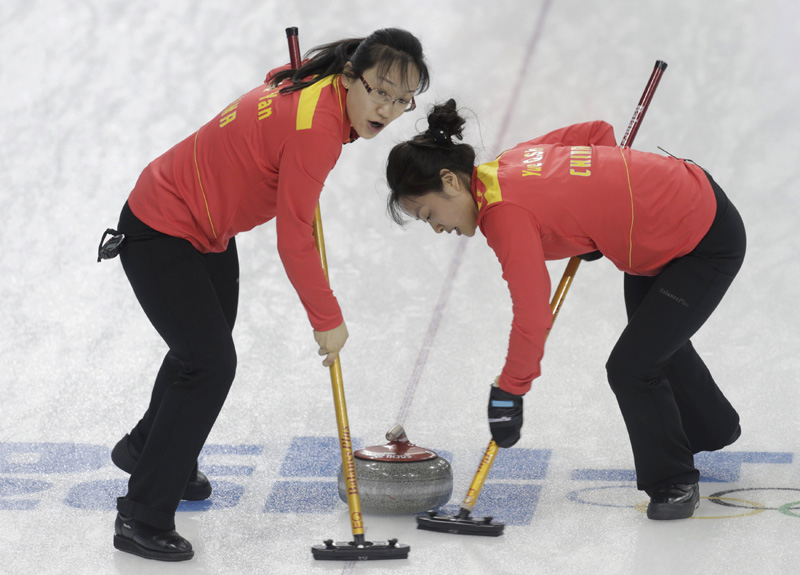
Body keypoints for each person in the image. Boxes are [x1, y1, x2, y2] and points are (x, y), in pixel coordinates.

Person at [100, 29, 429, 561]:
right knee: (207, 362)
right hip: (161, 225)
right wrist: (327, 317)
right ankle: (141, 516)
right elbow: (294, 236)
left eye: (401, 99)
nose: (387, 109)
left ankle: (146, 450)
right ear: (350, 77)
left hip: (205, 228)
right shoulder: (317, 130)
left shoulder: (321, 90)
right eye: (380, 92)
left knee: (199, 353)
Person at [384, 99, 745, 521]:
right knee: (655, 340)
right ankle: (713, 427)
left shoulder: (503, 215)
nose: (437, 228)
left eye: (429, 213)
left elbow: (534, 315)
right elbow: (595, 134)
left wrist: (510, 391)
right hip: (664, 225)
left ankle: (674, 481)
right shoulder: (507, 164)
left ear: (450, 180)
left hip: (702, 241)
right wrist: (594, 209)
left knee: (632, 366)